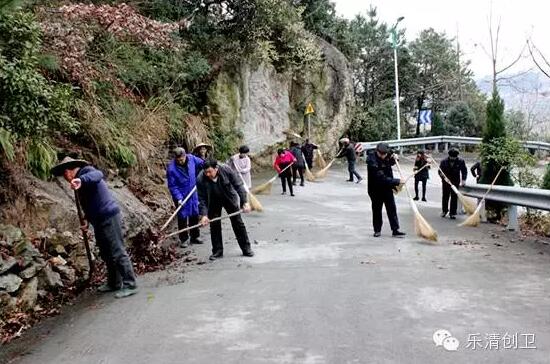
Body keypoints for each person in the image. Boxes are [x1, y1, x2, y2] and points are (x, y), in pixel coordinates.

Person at [51, 157, 137, 298]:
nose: (65, 179)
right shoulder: (79, 183)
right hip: (98, 220)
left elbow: (98, 175)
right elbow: (89, 204)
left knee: (117, 250)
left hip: (108, 216)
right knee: (105, 252)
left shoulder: (87, 172)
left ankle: (130, 284)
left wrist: (81, 180)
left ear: (68, 172)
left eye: (64, 175)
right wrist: (86, 220)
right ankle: (114, 282)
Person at [197, 159, 254, 261]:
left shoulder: (226, 170)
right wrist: (204, 215)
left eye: (210, 171)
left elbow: (239, 185)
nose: (208, 174)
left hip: (228, 197)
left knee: (237, 223)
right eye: (206, 172)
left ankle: (246, 248)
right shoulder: (201, 178)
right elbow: (201, 198)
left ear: (216, 168)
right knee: (214, 224)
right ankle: (217, 251)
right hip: (213, 200)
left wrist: (244, 202)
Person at [166, 147, 204, 248]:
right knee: (182, 216)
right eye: (178, 160)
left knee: (194, 214)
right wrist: (178, 198)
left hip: (193, 191)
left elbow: (202, 163)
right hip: (181, 195)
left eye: (182, 159)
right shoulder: (171, 168)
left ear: (185, 155)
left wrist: (206, 167)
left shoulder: (192, 158)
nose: (181, 161)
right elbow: (172, 186)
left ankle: (195, 236)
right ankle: (184, 239)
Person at [366, 143, 406, 238]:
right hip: (375, 189)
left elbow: (390, 162)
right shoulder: (372, 161)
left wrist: (395, 158)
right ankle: (377, 230)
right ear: (377, 152)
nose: (384, 156)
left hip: (387, 188)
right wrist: (397, 181)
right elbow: (381, 178)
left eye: (386, 154)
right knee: (377, 210)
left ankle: (395, 230)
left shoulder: (387, 154)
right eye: (382, 154)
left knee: (392, 209)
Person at [439, 149, 468, 219]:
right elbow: (440, 171)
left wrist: (463, 180)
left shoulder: (461, 161)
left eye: (454, 157)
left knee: (454, 197)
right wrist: (442, 176)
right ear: (449, 156)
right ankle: (444, 211)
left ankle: (452, 213)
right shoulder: (444, 161)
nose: (453, 158)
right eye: (451, 157)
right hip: (446, 181)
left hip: (455, 181)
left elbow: (464, 171)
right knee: (445, 196)